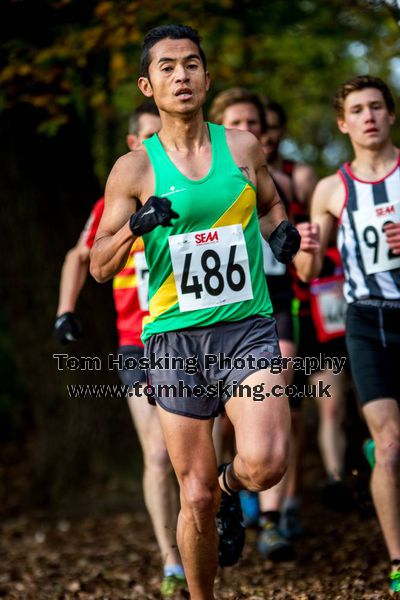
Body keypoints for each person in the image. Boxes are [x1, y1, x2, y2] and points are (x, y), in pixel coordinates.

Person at [90, 24, 300, 600]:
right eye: (167, 67)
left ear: (207, 77)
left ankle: (235, 489)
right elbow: (99, 266)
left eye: (190, 65)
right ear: (147, 85)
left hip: (247, 328)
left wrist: (279, 234)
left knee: (265, 462)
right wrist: (137, 226)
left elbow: (272, 202)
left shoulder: (242, 147)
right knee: (195, 496)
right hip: (174, 341)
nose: (180, 75)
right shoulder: (133, 170)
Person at [54, 101, 187, 598]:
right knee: (156, 454)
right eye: (149, 136)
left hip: (194, 333)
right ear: (133, 144)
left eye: (164, 135)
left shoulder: (196, 183)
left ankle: (217, 508)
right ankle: (171, 559)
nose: (157, 144)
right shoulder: (114, 199)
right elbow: (80, 255)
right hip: (137, 340)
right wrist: (66, 311)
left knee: (203, 447)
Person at [295, 75, 400, 595]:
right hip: (366, 320)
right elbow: (310, 272)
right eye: (357, 109)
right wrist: (308, 245)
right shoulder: (331, 189)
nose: (368, 116)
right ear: (343, 123)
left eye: (377, 106)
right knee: (389, 443)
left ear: (391, 114)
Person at [209, 88, 296, 561]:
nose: (247, 129)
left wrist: (294, 238)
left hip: (271, 302)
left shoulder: (276, 177)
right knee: (222, 416)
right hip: (213, 311)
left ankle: (274, 517)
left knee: (278, 401)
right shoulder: (195, 172)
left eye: (254, 122)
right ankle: (223, 501)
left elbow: (300, 236)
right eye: (236, 120)